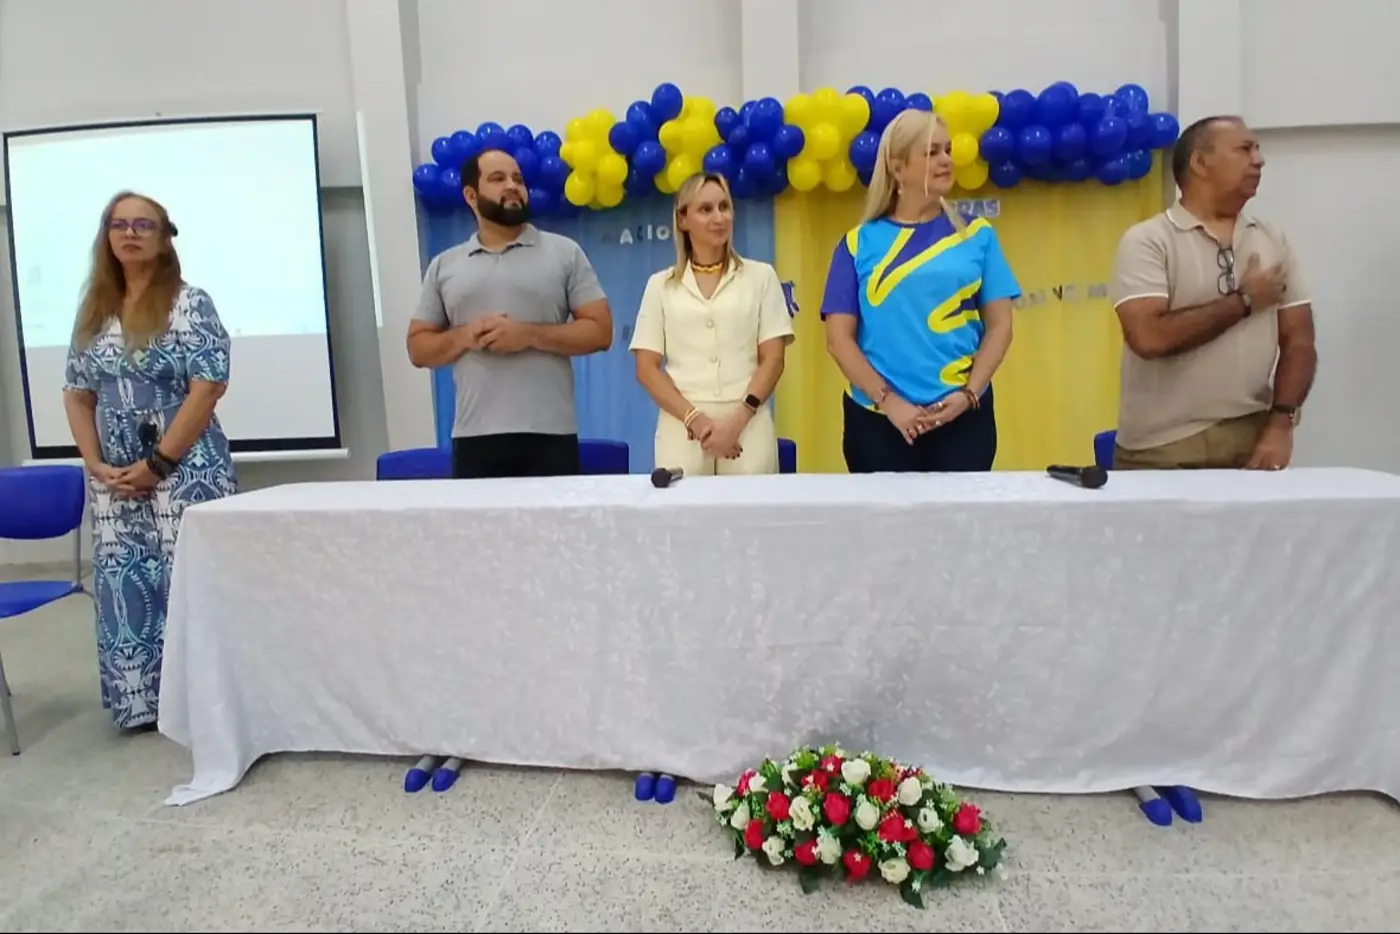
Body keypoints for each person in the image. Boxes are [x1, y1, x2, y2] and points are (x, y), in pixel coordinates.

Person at [61, 190, 238, 732]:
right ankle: (143, 703)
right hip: (115, 480)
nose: (130, 234)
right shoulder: (94, 309)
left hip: (186, 469)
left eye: (143, 225)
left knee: (191, 581)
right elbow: (77, 392)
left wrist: (158, 463)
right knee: (126, 584)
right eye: (119, 225)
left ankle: (206, 701)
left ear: (164, 239)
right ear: (106, 237)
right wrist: (95, 463)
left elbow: (208, 387)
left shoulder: (190, 303)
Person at [1109, 115, 1316, 471]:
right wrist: (1244, 302)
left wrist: (1281, 423)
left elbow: (1299, 340)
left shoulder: (1271, 238)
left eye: (1257, 149)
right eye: (1244, 149)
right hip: (1161, 449)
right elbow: (1149, 338)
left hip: (1253, 440)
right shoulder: (1149, 240)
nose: (1259, 160)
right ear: (1200, 162)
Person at [820, 108, 1020, 473]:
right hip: (878, 422)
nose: (946, 160)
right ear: (898, 168)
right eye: (931, 152)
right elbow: (838, 339)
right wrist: (889, 403)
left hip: (962, 420)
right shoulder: (857, 244)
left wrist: (969, 394)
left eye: (948, 150)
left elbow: (1001, 326)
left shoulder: (977, 235)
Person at [408, 149, 614, 479]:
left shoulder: (565, 252)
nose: (512, 186)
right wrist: (466, 335)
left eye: (518, 179)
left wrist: (528, 335)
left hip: (550, 436)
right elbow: (418, 348)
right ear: (471, 196)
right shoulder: (445, 265)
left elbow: (600, 331)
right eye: (498, 178)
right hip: (474, 437)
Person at [629, 172, 794, 475]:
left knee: (751, 503)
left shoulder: (761, 277)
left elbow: (773, 359)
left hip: (747, 423)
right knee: (683, 504)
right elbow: (646, 368)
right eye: (706, 210)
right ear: (683, 220)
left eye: (724, 207)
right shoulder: (660, 285)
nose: (719, 218)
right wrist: (695, 419)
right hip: (682, 426)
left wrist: (737, 422)